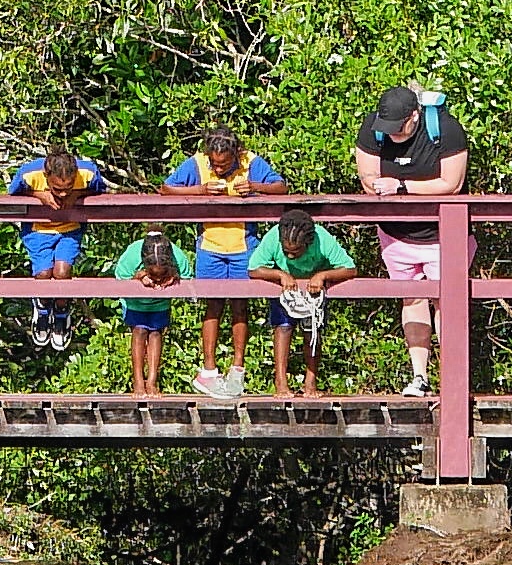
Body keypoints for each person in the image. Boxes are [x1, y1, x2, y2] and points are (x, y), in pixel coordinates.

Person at [354, 80, 471, 397]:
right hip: (396, 234)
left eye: (399, 128)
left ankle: (453, 378)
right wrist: (379, 185)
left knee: (446, 303)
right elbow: (368, 177)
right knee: (413, 299)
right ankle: (420, 376)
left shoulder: (444, 129)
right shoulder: (373, 128)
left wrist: (401, 187)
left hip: (443, 234)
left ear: (415, 116)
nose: (392, 134)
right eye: (387, 127)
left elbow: (452, 184)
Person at [164, 122, 283, 397]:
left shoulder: (250, 161)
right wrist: (200, 191)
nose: (219, 169)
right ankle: (208, 370)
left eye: (224, 164)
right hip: (210, 245)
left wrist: (254, 188)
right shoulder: (197, 163)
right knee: (212, 306)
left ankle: (237, 369)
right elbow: (167, 189)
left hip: (244, 245)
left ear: (236, 154)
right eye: (215, 164)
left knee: (240, 306)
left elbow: (281, 187)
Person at [10, 144, 111, 358]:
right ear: (46, 176)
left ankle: (63, 312)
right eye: (57, 189)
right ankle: (43, 309)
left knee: (63, 273)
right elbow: (13, 194)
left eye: (68, 187)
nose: (63, 193)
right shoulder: (29, 174)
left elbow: (100, 190)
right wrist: (40, 195)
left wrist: (78, 195)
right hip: (38, 229)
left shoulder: (88, 172)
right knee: (44, 275)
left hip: (70, 228)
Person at [248, 201, 358, 397]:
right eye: (286, 251)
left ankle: (311, 383)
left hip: (313, 289)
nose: (290, 255)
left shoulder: (322, 239)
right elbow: (254, 269)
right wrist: (280, 275)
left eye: (296, 252)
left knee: (312, 331)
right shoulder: (274, 236)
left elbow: (349, 268)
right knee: (283, 328)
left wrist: (323, 275)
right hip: (285, 287)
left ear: (308, 243)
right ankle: (281, 383)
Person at [108, 230, 186, 395]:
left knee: (156, 333)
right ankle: (138, 381)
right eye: (153, 273)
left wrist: (172, 277)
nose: (157, 278)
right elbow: (120, 277)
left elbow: (187, 276)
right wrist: (139, 277)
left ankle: (151, 381)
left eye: (161, 273)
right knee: (140, 330)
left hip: (160, 303)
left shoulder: (177, 256)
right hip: (135, 303)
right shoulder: (132, 254)